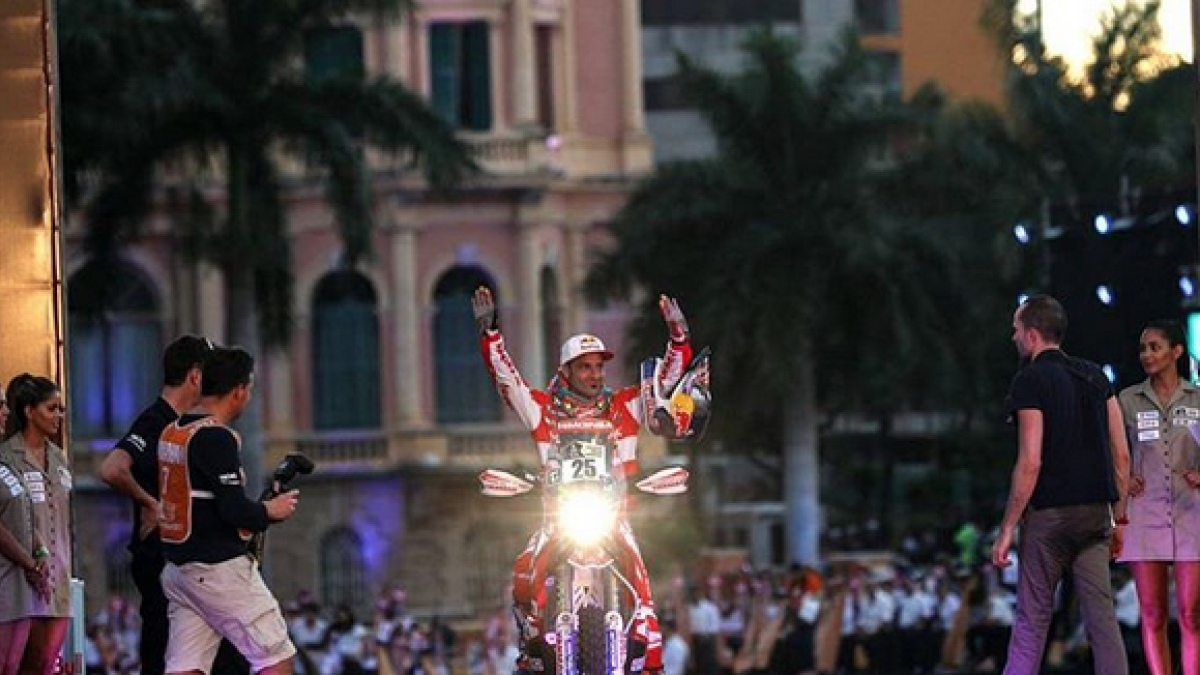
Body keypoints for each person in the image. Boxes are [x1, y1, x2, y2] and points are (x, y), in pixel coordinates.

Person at [472, 286, 694, 674]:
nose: (594, 374)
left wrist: (679, 339)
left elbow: (664, 385)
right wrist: (491, 335)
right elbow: (508, 381)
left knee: (644, 592)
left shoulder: (625, 405)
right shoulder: (543, 411)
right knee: (523, 574)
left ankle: (649, 661)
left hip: (614, 519)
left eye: (598, 366)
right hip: (558, 519)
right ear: (567, 371)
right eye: (584, 366)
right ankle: (531, 646)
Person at [990, 294, 1130, 675]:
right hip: (1095, 515)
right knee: (1102, 620)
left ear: (1033, 335)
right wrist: (1119, 518)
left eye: (1016, 330)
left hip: (1050, 518)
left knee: (1032, 620)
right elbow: (1121, 453)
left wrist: (1006, 529)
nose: (1013, 337)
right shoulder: (1096, 375)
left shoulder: (1029, 380)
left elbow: (1030, 461)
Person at [98, 335, 238, 675]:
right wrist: (149, 503)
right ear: (194, 376)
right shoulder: (155, 421)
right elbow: (111, 468)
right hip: (159, 561)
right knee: (162, 648)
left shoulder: (190, 426)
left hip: (187, 563)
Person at [157, 346, 300, 675]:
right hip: (217, 569)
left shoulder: (173, 432)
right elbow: (233, 510)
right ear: (239, 390)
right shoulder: (215, 437)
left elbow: (200, 500)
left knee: (185, 666)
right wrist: (269, 511)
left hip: (180, 570)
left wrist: (257, 508)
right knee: (274, 656)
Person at [1117, 320, 1200, 675]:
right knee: (1151, 613)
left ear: (1176, 352)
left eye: (1154, 347)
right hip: (1145, 513)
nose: (1146, 355)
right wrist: (1123, 479)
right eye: (1143, 348)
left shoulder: (1198, 398)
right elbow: (1113, 452)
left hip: (1192, 512)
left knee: (1191, 612)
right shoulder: (1127, 399)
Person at [0, 374, 72, 675]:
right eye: (51, 408)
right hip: (22, 575)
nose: (58, 415)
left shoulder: (59, 458)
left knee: (46, 664)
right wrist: (32, 560)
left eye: (60, 409)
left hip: (59, 570)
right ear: (29, 411)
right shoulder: (7, 457)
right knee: (16, 664)